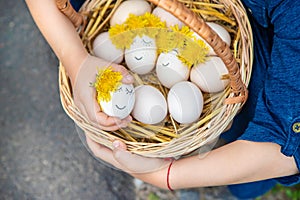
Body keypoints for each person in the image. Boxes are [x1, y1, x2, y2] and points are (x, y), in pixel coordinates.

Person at [25, 0, 300, 199]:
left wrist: (165, 176)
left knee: (246, 176)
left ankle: (232, 182)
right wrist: (76, 59)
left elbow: (279, 148)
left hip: (262, 66)